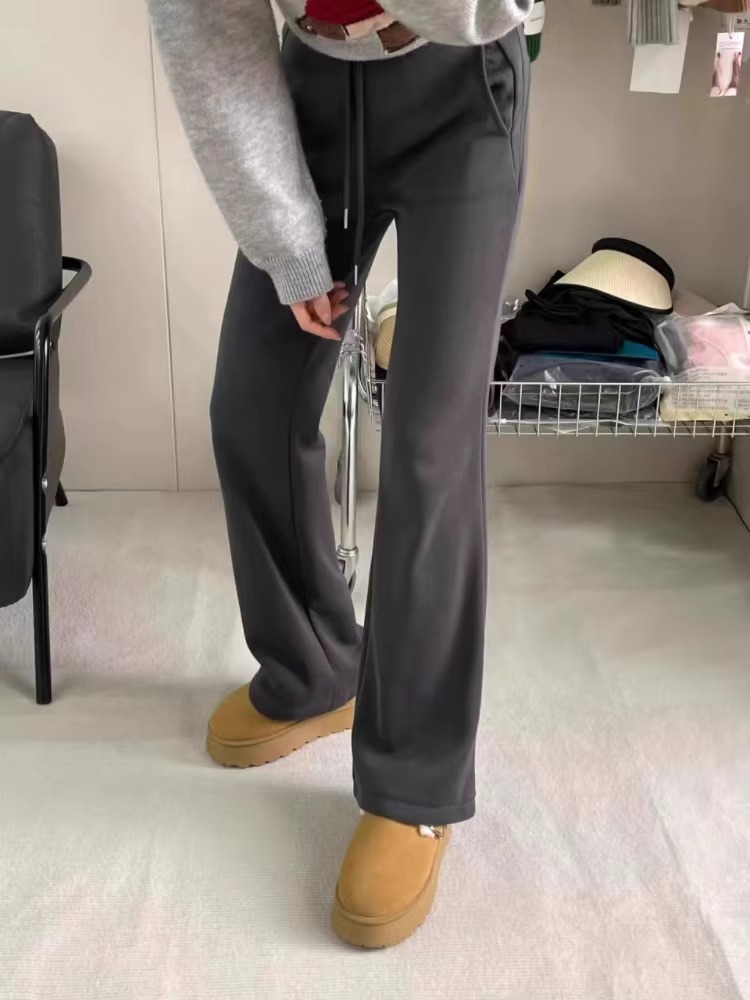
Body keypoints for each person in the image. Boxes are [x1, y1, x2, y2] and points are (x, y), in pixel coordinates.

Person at [150, 0, 531, 948]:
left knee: (430, 446)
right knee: (250, 407)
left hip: (464, 77)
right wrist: (287, 243)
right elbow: (204, 26)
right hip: (312, 85)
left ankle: (416, 782)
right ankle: (317, 665)